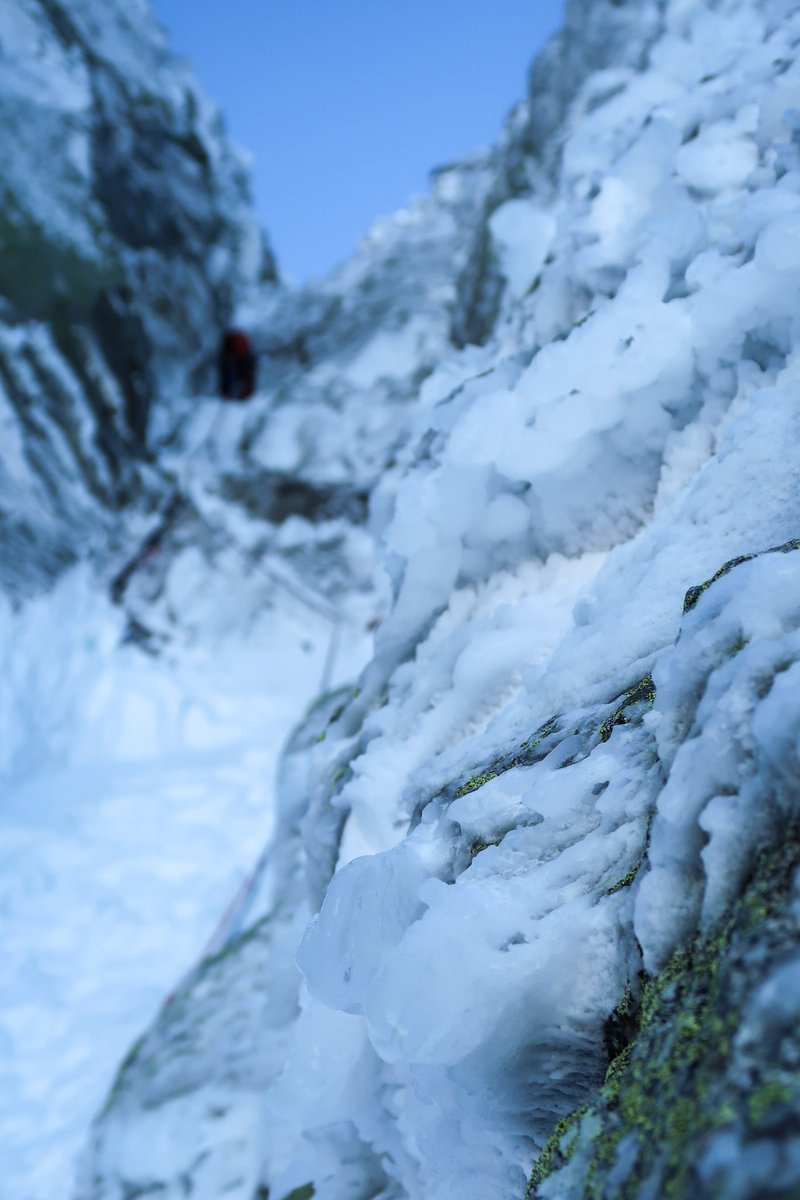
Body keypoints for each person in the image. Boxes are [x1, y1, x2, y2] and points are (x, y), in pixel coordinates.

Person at [218, 329, 257, 400]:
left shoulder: (229, 344)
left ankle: (232, 394)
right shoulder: (242, 345)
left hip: (238, 358)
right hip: (244, 358)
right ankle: (244, 394)